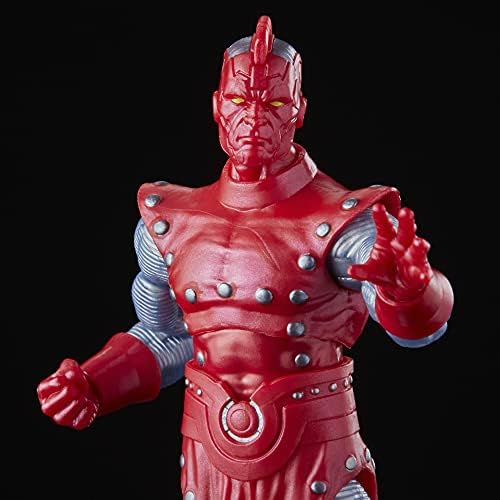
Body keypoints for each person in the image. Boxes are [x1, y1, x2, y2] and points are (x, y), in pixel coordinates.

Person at [37, 16, 453, 500]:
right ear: (217, 106)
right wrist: (94, 383)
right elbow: (166, 336)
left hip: (316, 459)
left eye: (273, 104)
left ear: (298, 110)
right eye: (239, 101)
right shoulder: (168, 223)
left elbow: (417, 330)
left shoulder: (343, 223)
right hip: (209, 462)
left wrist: (411, 290)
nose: (254, 119)